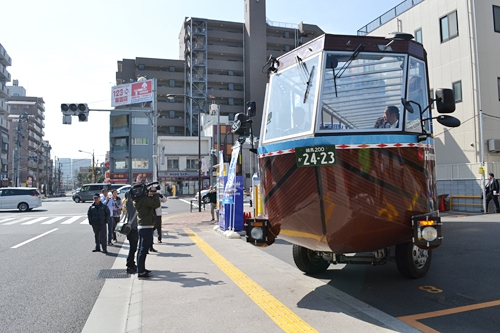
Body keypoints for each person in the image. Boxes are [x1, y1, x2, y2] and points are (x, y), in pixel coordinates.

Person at [133, 183, 161, 278]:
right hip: (146, 226)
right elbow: (156, 204)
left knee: (141, 249)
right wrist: (155, 193)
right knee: (143, 249)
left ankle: (141, 269)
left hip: (142, 226)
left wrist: (150, 194)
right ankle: (141, 271)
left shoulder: (138, 199)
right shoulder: (144, 200)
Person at [124, 189, 139, 274]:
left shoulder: (133, 205)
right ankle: (129, 265)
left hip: (134, 229)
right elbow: (129, 201)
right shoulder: (129, 205)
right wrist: (131, 194)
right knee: (132, 248)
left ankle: (132, 263)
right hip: (132, 230)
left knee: (133, 248)